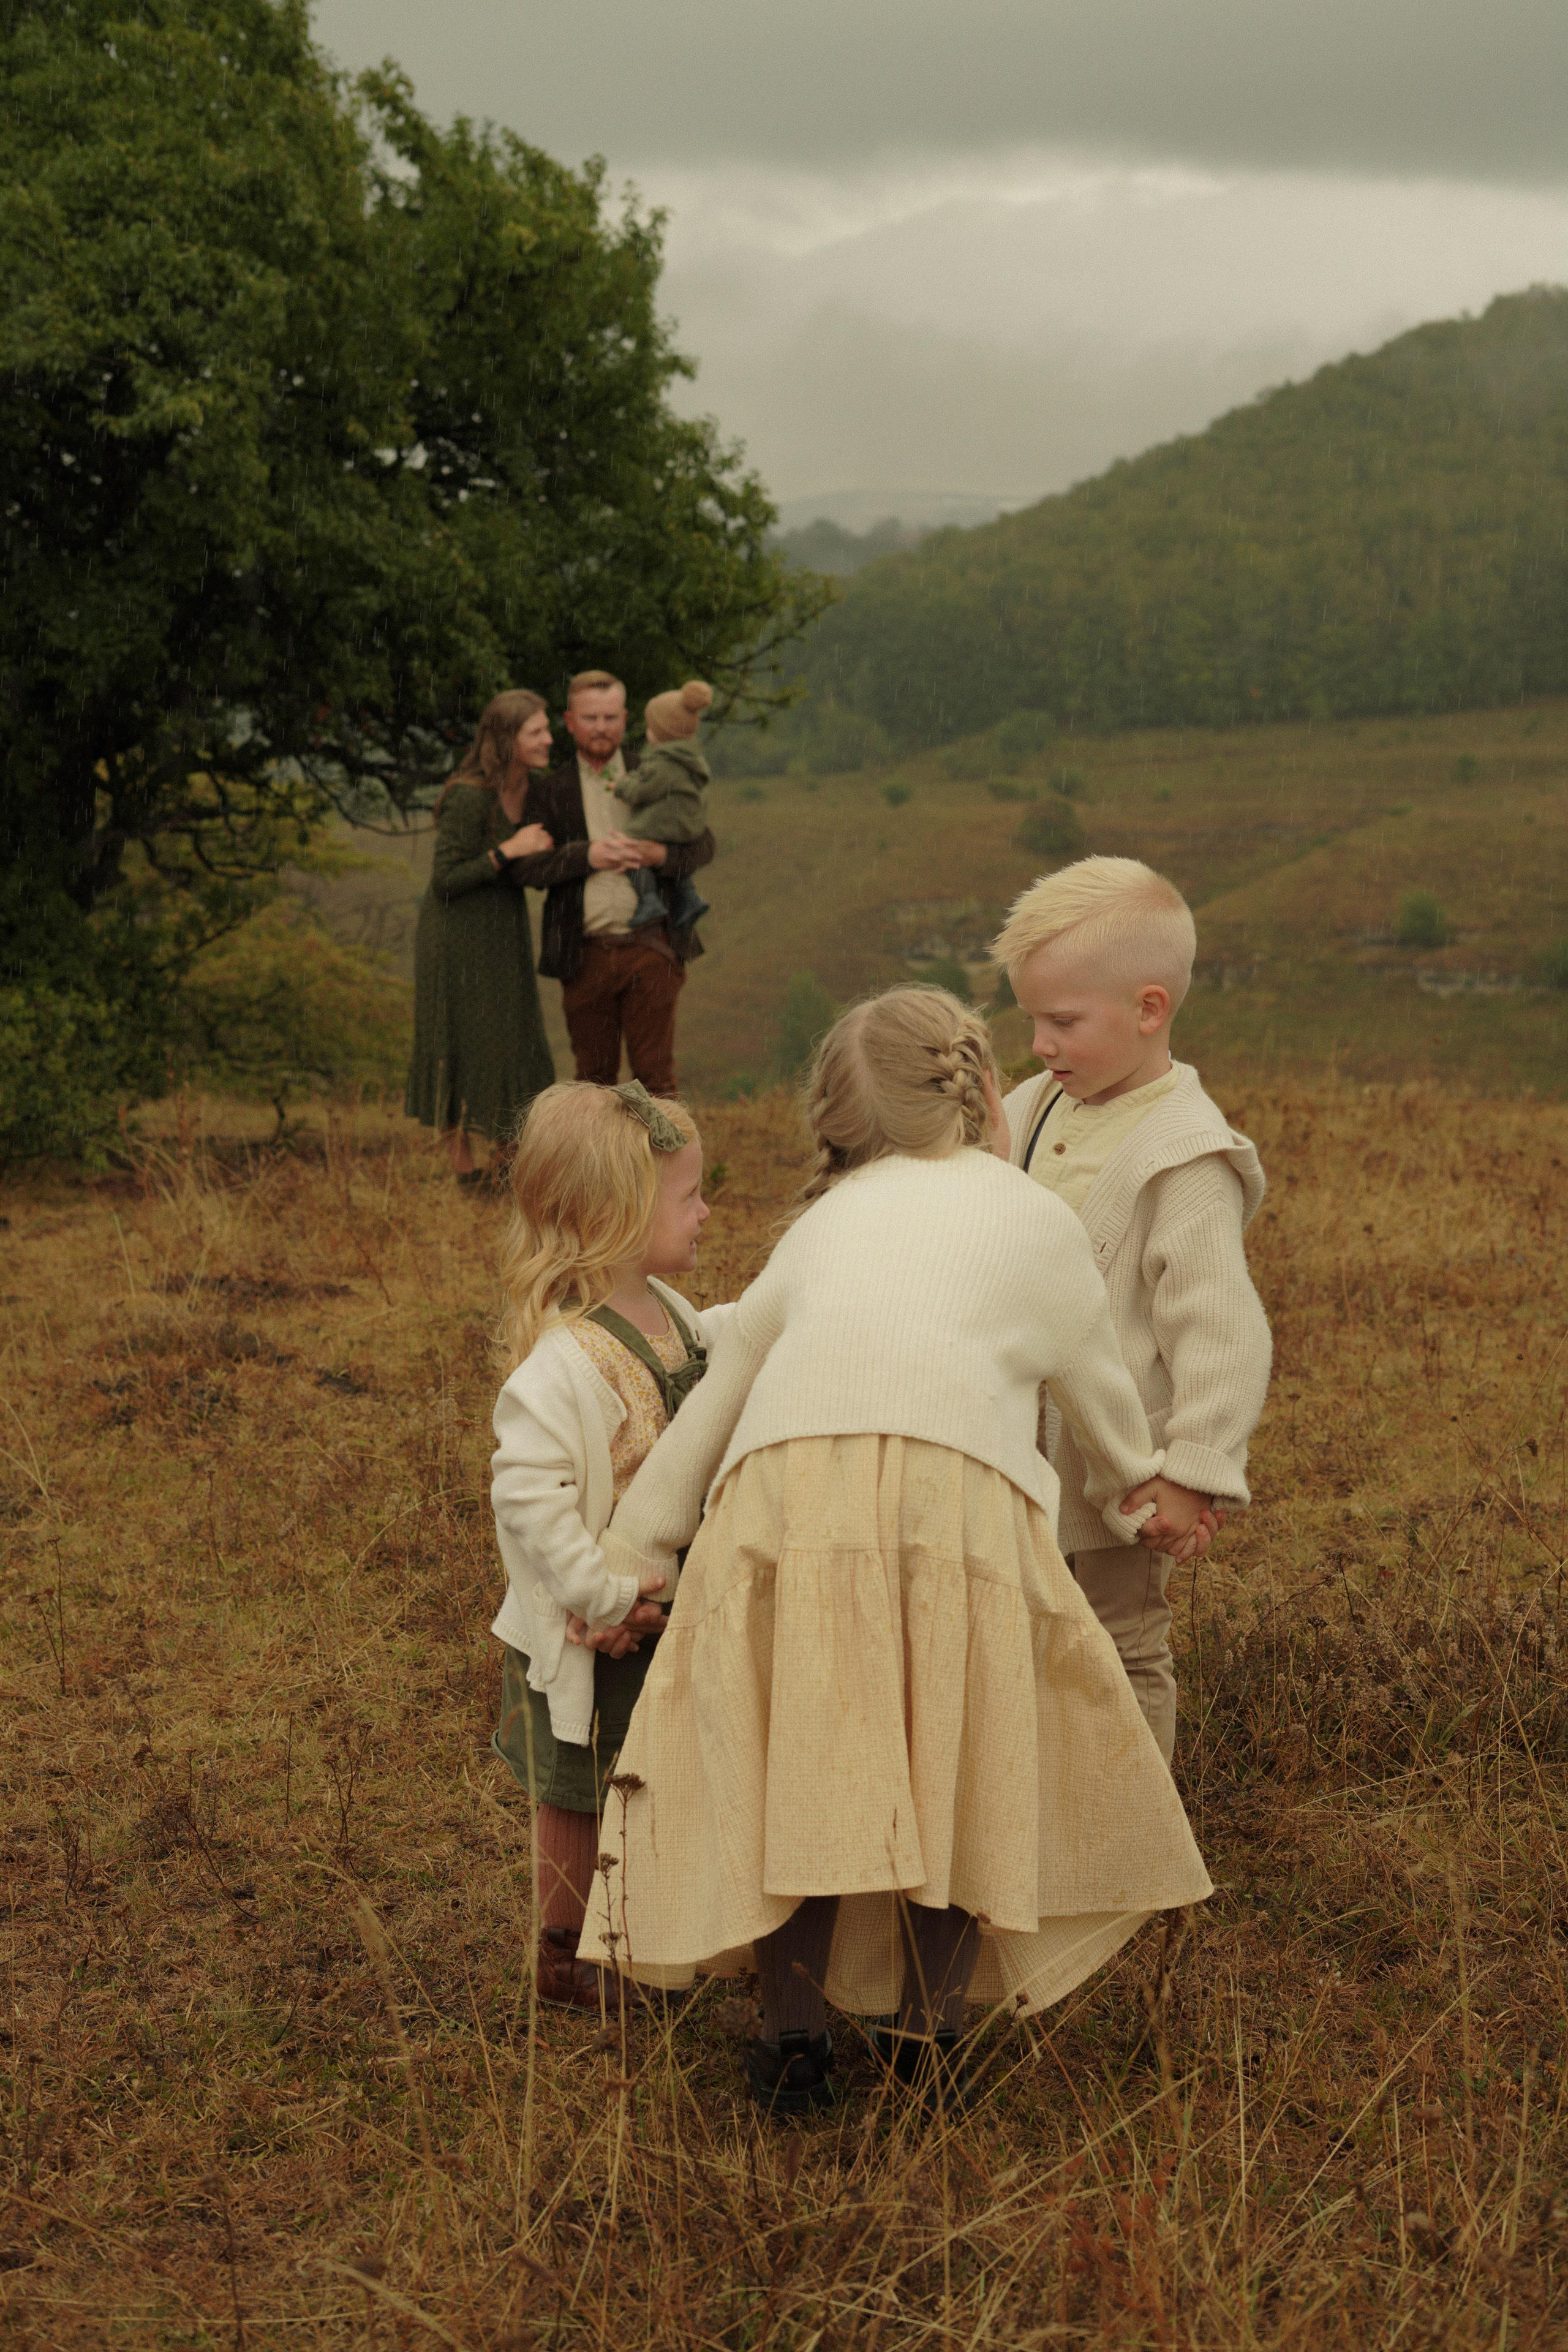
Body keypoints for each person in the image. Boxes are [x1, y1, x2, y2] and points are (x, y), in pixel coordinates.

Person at [578, 987, 1213, 2116]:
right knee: (958, 1761)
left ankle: (792, 2041)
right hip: (955, 1505)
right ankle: (930, 2033)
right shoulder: (1032, 1218)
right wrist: (1134, 1500)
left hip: (786, 1499)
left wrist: (639, 1547)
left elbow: (721, 1398)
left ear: (841, 1121)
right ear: (980, 1096)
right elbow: (1105, 1402)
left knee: (806, 1768)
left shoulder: (821, 1224)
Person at [992, 856, 1273, 1765]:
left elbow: (1221, 1333)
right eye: (1033, 1018)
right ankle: (1040, 1816)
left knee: (1120, 1643)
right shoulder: (1028, 1107)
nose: (1040, 1043)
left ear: (1149, 1010)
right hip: (1008, 1447)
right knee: (1017, 1636)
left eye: (1064, 1022)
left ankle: (1138, 1847)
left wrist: (1191, 1471)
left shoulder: (1186, 1157)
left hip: (1116, 1475)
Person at [488, 1079, 733, 2011]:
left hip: (659, 1611)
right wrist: (598, 1598)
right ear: (619, 1215)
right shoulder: (563, 1360)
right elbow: (529, 1498)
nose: (706, 1212)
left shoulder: (669, 1308)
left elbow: (726, 1349)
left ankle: (641, 1939)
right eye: (688, 1197)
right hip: (594, 1627)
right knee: (577, 1790)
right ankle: (567, 1958)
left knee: (650, 1775)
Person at [515, 671, 715, 1097]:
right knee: (592, 1081)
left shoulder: (657, 770)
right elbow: (528, 869)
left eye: (610, 717)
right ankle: (599, 1167)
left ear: (626, 720)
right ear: (569, 722)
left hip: (653, 946)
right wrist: (586, 856)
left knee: (656, 1078)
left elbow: (703, 845)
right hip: (583, 952)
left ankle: (664, 1166)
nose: (601, 727)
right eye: (591, 718)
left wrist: (657, 856)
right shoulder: (550, 790)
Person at [405, 690, 557, 1182]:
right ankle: (465, 1170)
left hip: (503, 929)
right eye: (536, 732)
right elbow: (446, 877)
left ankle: (509, 1160)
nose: (548, 740)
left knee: (513, 1037)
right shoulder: (470, 794)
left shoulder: (535, 791)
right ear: (506, 739)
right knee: (460, 1036)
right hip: (456, 935)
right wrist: (507, 850)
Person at [613, 680, 714, 933]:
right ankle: (689, 897)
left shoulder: (663, 763)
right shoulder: (689, 759)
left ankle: (648, 899)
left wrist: (622, 787)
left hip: (668, 821)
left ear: (661, 733)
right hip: (687, 823)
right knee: (671, 847)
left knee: (631, 844)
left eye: (651, 726)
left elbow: (643, 792)